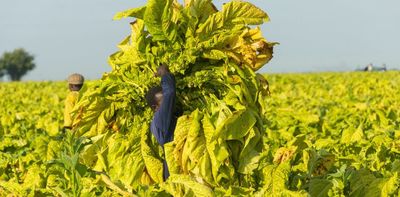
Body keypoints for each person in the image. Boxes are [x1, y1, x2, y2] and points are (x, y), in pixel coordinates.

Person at [145, 64, 177, 181]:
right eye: (163, 101)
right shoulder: (159, 119)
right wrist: (164, 73)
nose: (168, 103)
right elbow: (170, 93)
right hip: (174, 173)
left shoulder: (167, 117)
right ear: (155, 107)